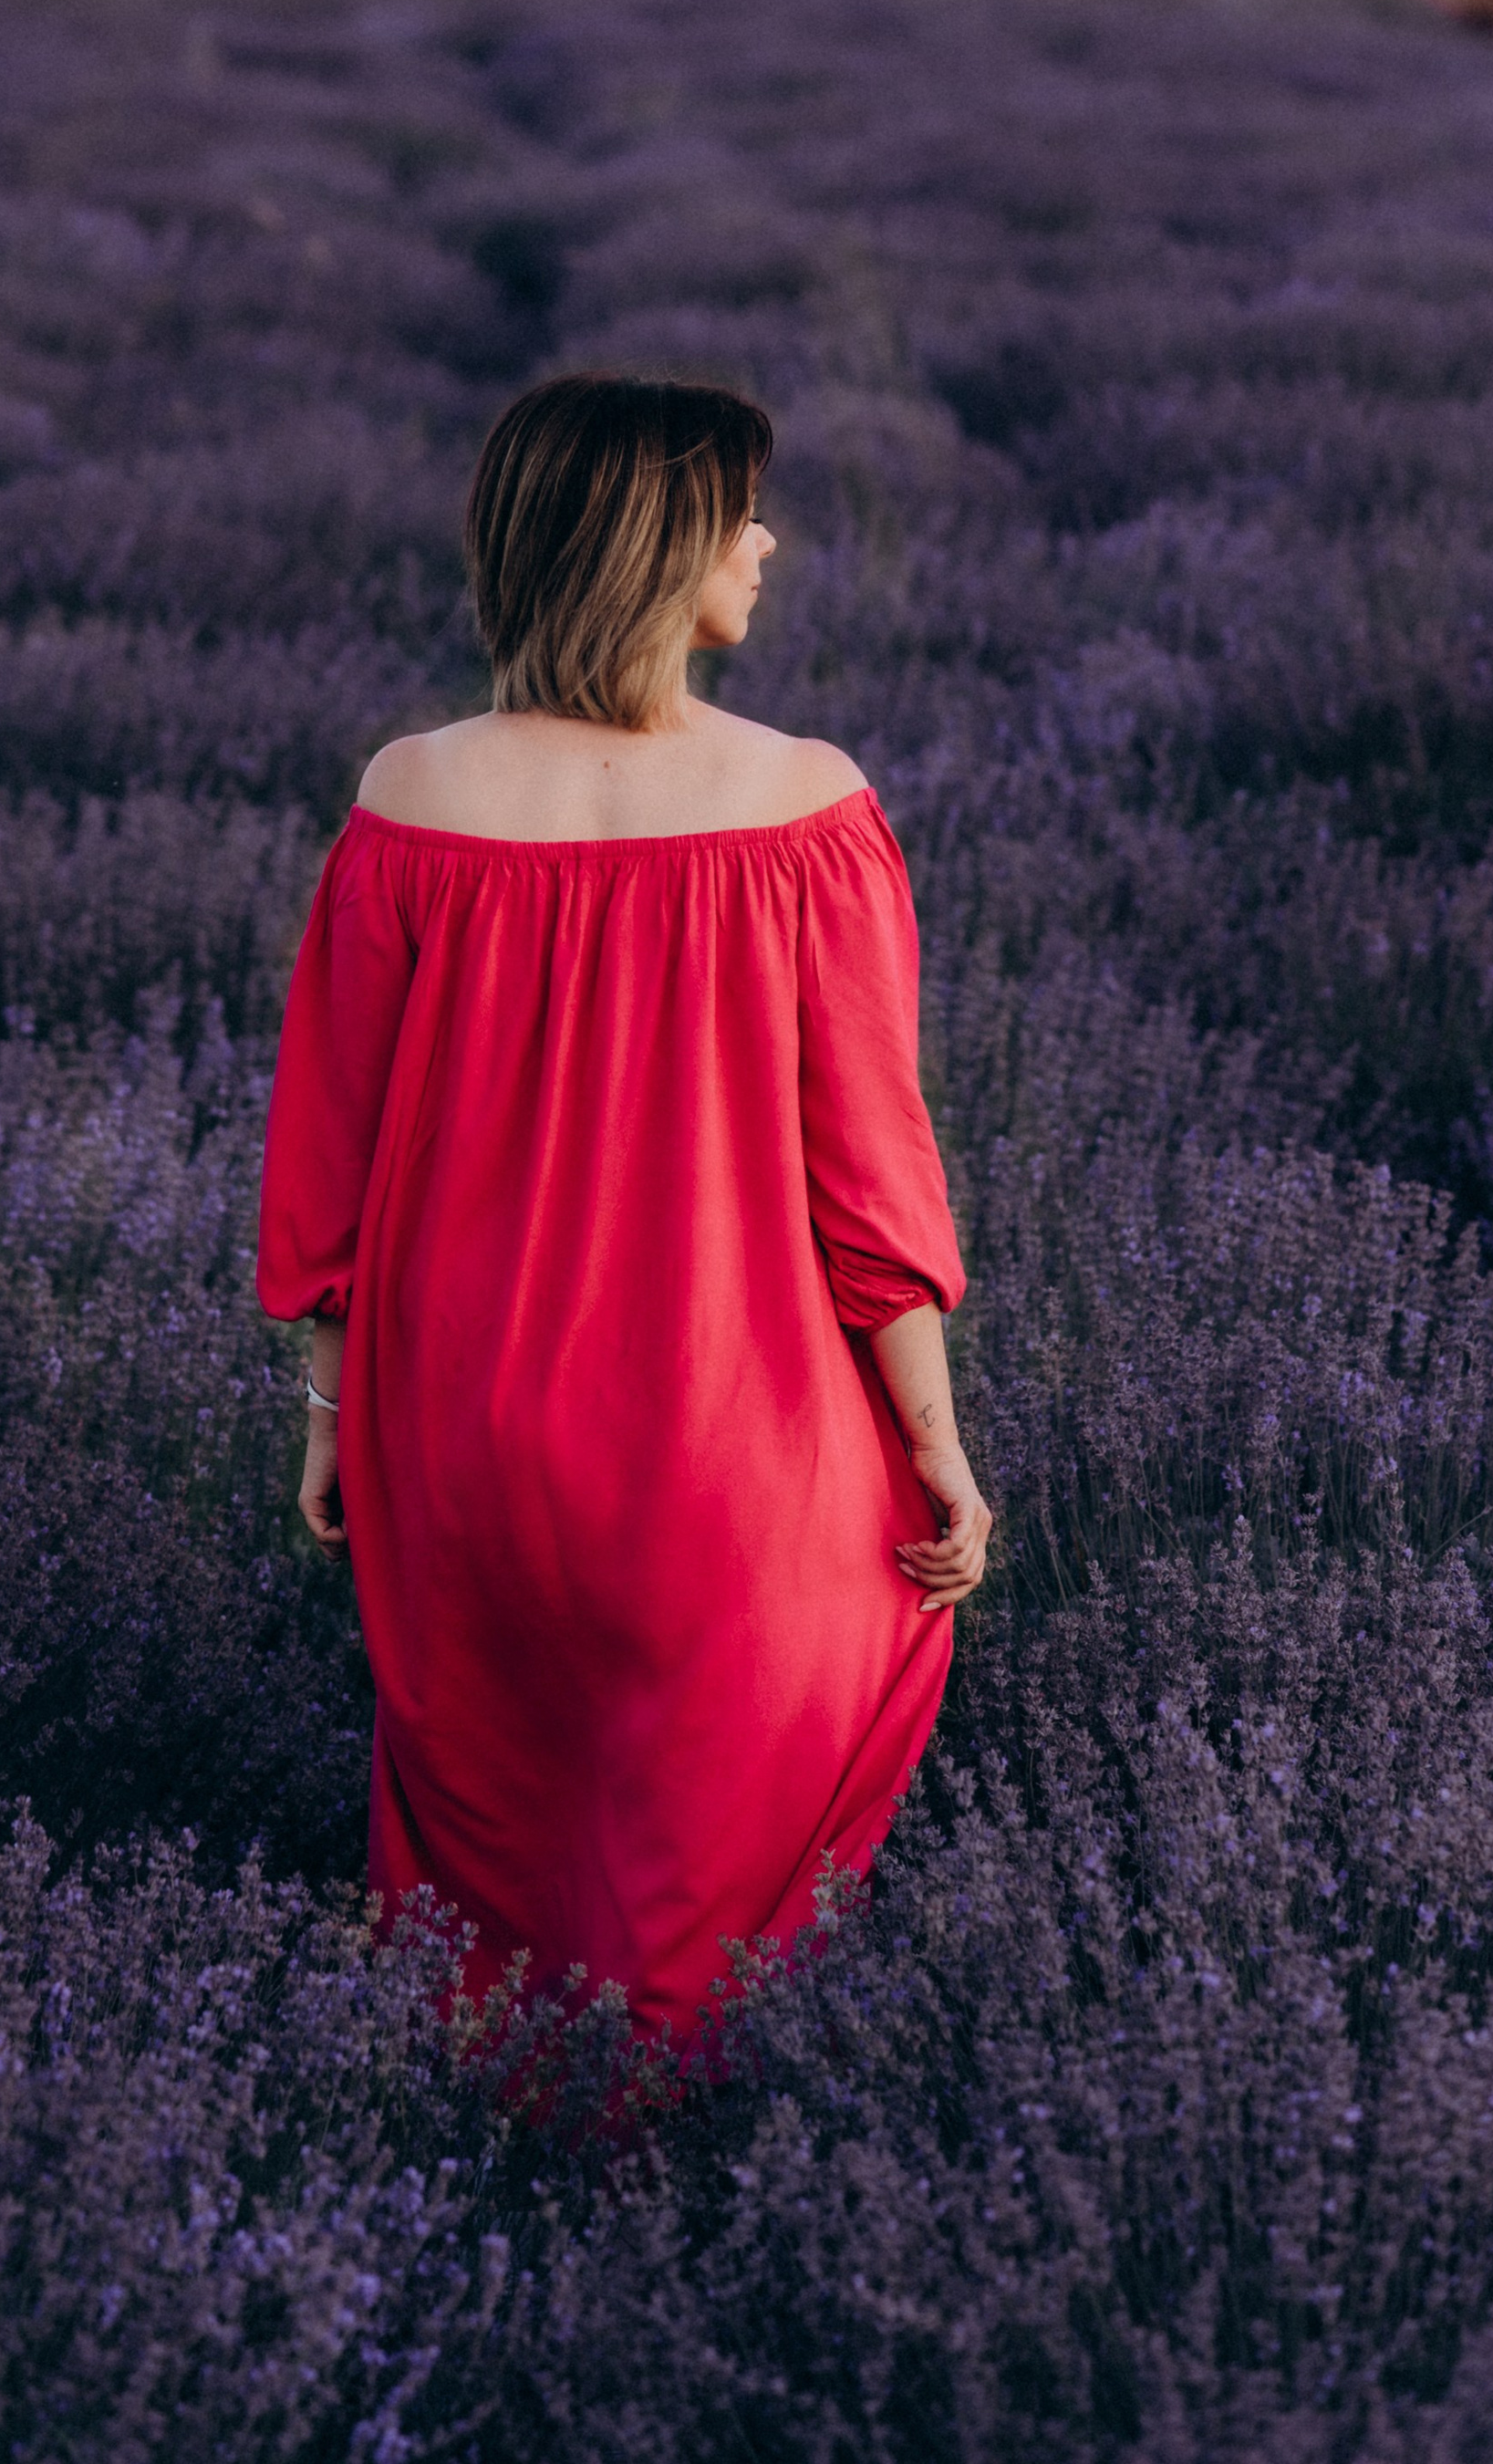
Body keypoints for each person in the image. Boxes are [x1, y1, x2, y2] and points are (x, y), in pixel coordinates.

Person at [256, 371, 990, 2047]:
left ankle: (471, 2177)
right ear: (657, 545)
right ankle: (681, 2168)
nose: (770, 539)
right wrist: (935, 1444)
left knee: (490, 1851)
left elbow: (325, 1167)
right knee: (716, 1860)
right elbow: (873, 1180)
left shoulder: (410, 798)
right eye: (741, 510)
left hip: (457, 1429)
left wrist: (324, 1418)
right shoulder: (808, 809)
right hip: (736, 1433)